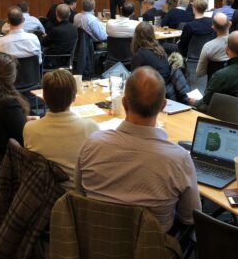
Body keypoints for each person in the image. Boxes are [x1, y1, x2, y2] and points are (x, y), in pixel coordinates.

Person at [75, 66, 201, 233]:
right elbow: (190, 217)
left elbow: (79, 194)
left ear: (124, 102)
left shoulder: (91, 145)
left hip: (95, 239)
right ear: (163, 105)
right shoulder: (179, 159)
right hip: (152, 244)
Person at [23, 69, 98, 189]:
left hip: (42, 192)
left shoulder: (29, 129)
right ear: (74, 97)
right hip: (77, 194)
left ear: (44, 97)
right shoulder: (91, 128)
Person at [191, 31, 238, 111]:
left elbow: (205, 103)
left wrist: (194, 102)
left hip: (227, 114)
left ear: (227, 48)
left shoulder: (221, 76)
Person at [41, 4, 78, 68]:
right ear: (69, 14)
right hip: (68, 59)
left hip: (53, 60)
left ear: (56, 14)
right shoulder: (74, 28)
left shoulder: (56, 30)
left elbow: (44, 43)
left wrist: (45, 37)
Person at [196, 12, 230, 77]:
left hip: (214, 81)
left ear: (213, 27)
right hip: (236, 82)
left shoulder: (208, 47)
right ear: (230, 24)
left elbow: (200, 73)